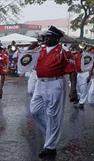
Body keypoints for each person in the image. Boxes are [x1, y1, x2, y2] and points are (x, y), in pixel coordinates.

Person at [29, 26, 78, 158]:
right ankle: (50, 134)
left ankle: (50, 147)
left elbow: (72, 71)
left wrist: (73, 90)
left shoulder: (64, 51)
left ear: (57, 38)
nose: (46, 38)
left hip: (55, 83)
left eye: (49, 36)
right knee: (34, 111)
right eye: (45, 36)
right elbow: (27, 60)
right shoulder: (41, 50)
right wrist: (30, 48)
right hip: (40, 83)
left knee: (53, 116)